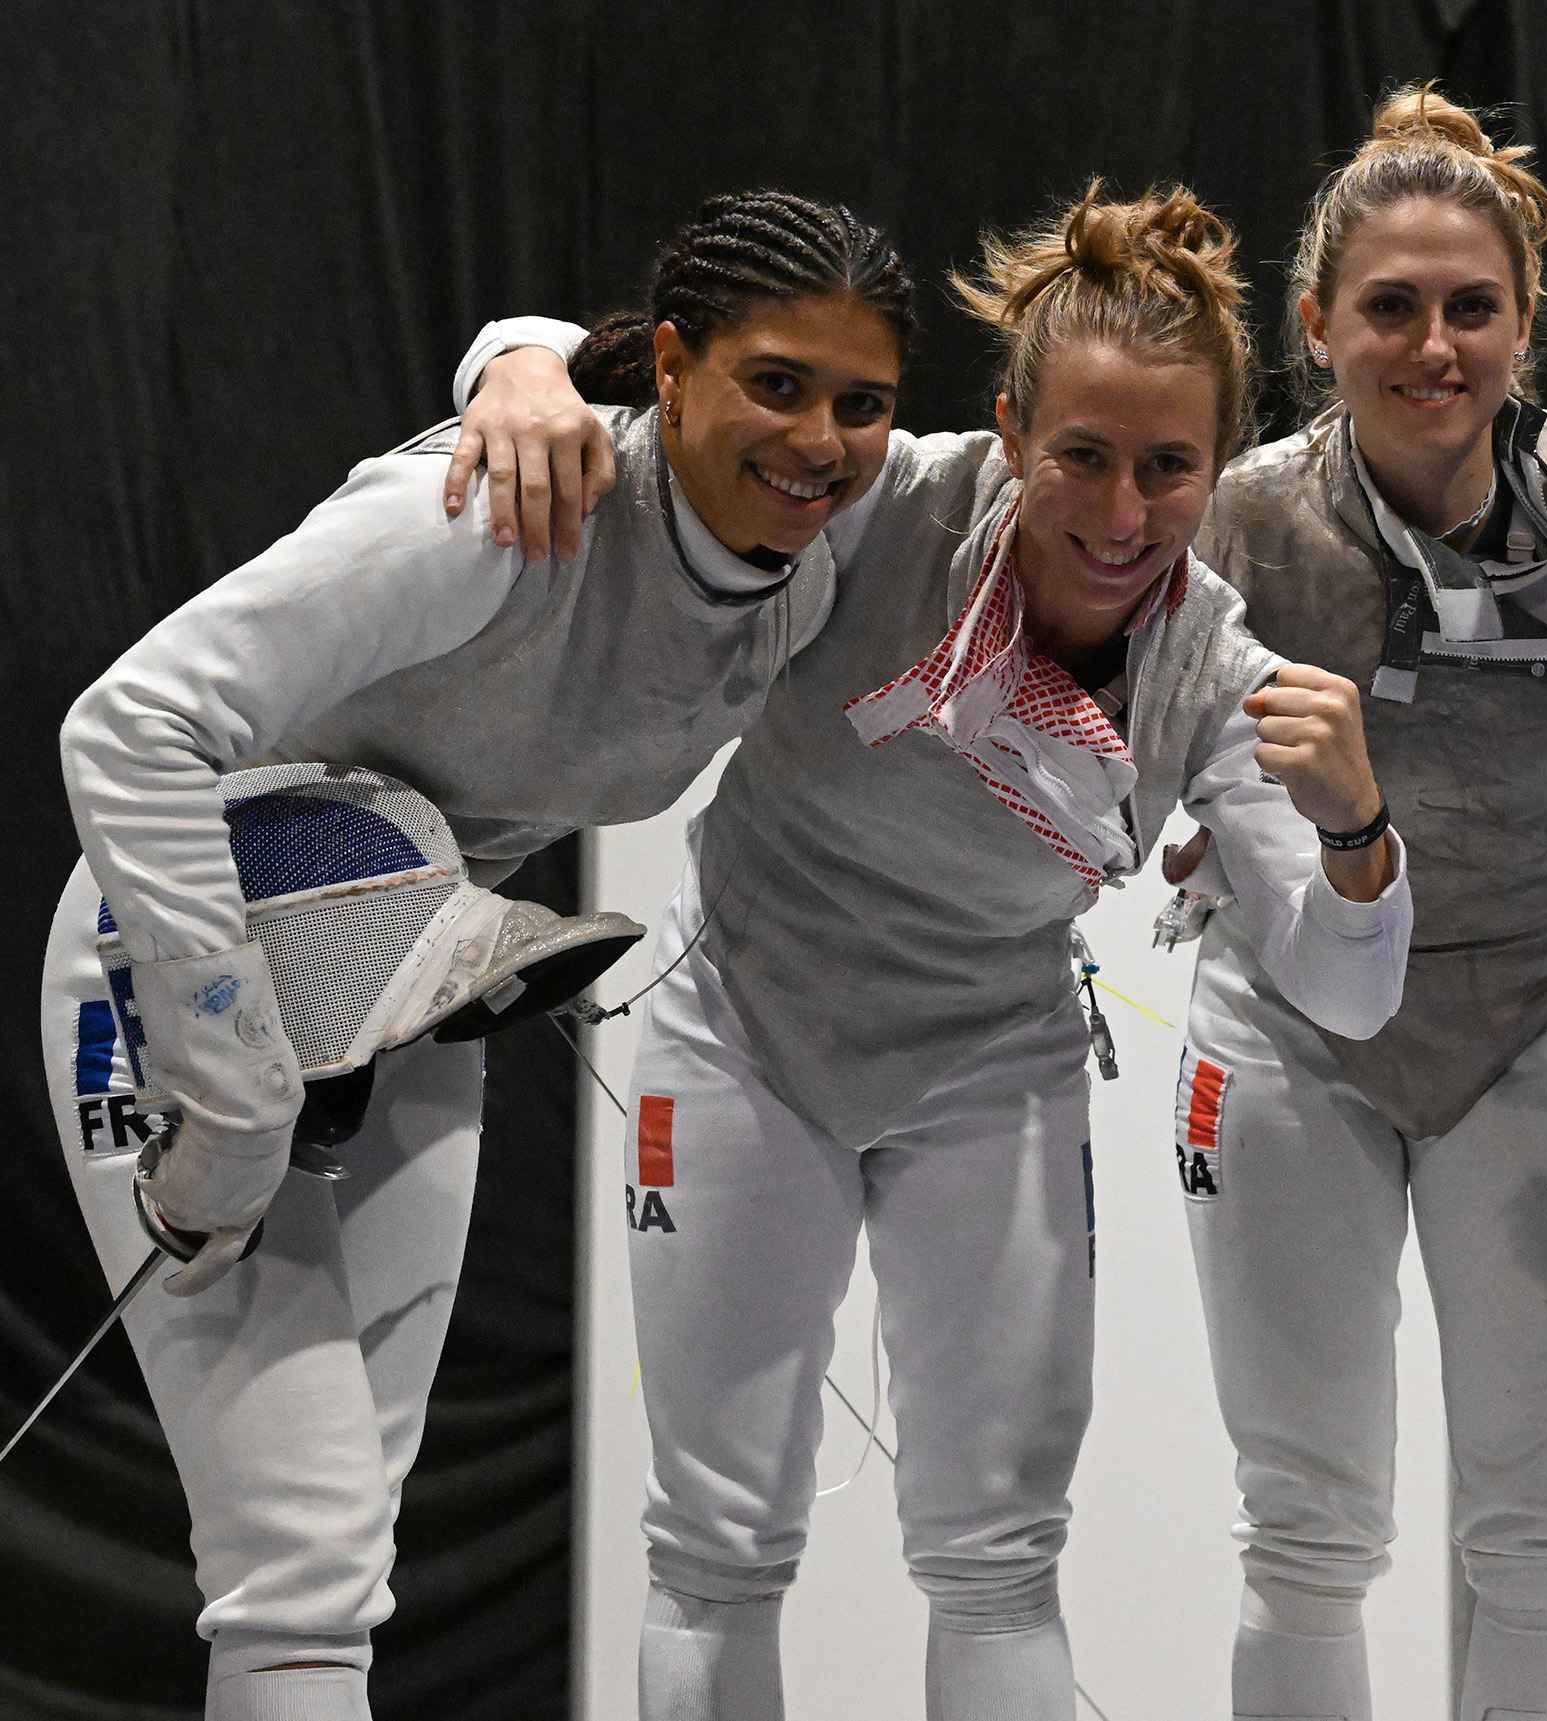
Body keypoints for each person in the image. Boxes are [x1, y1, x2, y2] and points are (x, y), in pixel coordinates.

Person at [460, 90, 1547, 1721]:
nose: (1433, 346)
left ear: (1532, 326)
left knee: (1543, 1528)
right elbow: (687, 392)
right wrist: (517, 360)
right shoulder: (1214, 510)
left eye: (1473, 308)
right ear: (1317, 324)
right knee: (1305, 1529)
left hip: (1533, 1020)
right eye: (1390, 307)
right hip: (1271, 1033)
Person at [455, 184, 1413, 1721]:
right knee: (712, 1544)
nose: (1118, 515)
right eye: (1080, 459)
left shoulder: (1219, 674)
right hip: (745, 1032)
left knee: (992, 1554)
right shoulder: (880, 499)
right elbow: (655, 375)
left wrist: (1358, 824)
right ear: (1008, 430)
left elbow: (1351, 984)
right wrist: (515, 368)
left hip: (993, 1063)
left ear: (1218, 465)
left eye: (1167, 468)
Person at [36, 188, 917, 1721]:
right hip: (178, 954)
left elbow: (1052, 484)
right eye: (775, 384)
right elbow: (129, 726)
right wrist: (229, 1076)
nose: (819, 440)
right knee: (294, 1557)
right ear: (673, 362)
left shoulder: (825, 550)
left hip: (416, 975)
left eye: (861, 404)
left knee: (328, 1575)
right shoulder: (498, 513)